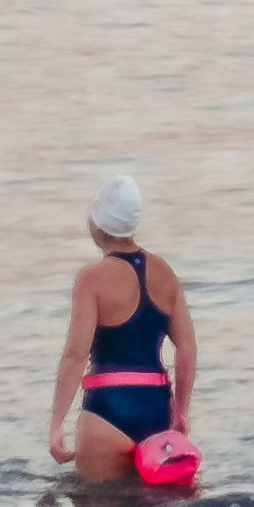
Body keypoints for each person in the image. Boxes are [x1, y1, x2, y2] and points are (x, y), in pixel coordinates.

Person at [53, 169, 198, 482]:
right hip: (157, 411)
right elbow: (186, 348)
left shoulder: (90, 280)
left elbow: (75, 356)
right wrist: (181, 411)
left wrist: (55, 425)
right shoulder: (165, 273)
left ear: (97, 223)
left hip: (107, 411)